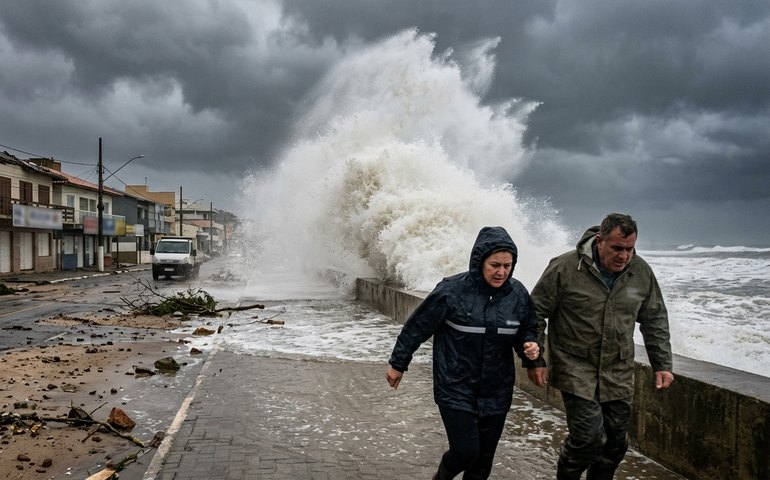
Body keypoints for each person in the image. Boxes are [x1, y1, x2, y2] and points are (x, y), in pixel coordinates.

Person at [386, 226, 542, 480]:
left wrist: (531, 348)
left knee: (482, 463)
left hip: (497, 389)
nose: (501, 272)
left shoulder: (518, 295)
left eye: (507, 265)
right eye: (495, 265)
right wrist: (398, 363)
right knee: (466, 452)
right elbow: (417, 327)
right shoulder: (451, 291)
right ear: (480, 261)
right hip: (455, 386)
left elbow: (527, 328)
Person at [528, 213, 674, 480]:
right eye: (617, 248)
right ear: (599, 241)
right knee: (588, 438)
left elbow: (654, 318)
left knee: (616, 445)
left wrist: (662, 364)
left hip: (617, 370)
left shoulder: (640, 272)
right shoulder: (565, 268)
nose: (624, 256)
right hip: (575, 366)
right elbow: (534, 313)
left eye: (630, 249)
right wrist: (536, 359)